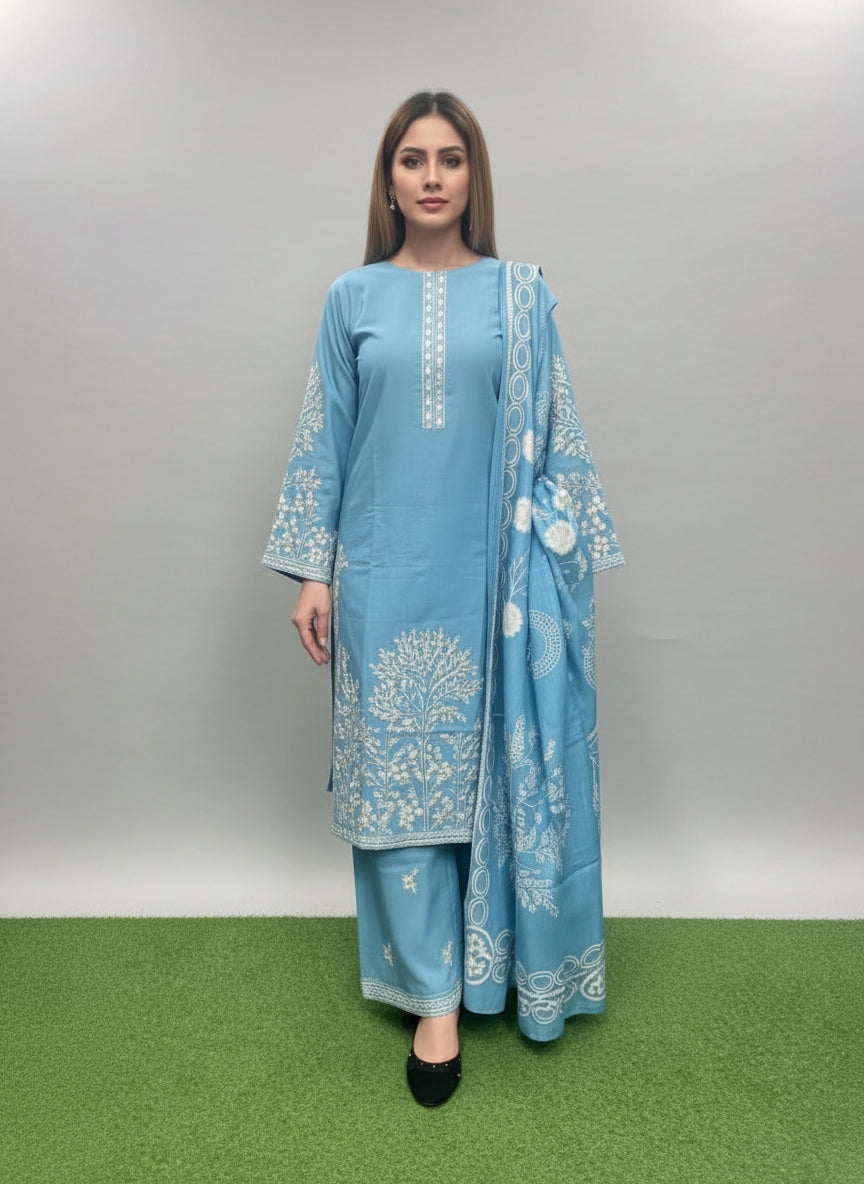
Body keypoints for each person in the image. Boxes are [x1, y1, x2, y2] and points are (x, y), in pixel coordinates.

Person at [262, 91, 624, 1107]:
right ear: (389, 180)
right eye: (413, 158)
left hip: (498, 581)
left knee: (489, 773)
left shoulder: (522, 293)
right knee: (400, 790)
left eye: (450, 158)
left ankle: (499, 963)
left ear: (474, 177)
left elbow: (558, 430)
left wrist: (572, 561)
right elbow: (322, 440)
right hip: (384, 576)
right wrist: (313, 570)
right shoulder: (352, 298)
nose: (431, 175)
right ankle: (432, 998)